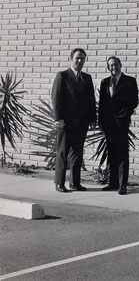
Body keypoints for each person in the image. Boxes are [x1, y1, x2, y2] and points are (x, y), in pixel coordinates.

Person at [51, 48, 96, 192]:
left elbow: (91, 100)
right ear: (71, 58)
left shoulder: (87, 78)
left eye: (82, 58)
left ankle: (75, 182)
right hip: (66, 122)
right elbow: (56, 98)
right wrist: (58, 118)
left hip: (81, 123)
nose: (80, 61)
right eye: (77, 58)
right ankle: (59, 183)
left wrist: (92, 119)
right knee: (63, 153)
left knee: (77, 153)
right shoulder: (62, 76)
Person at [98, 56, 139, 194]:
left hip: (121, 124)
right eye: (110, 65)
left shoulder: (130, 81)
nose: (113, 67)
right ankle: (113, 182)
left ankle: (122, 185)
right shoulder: (104, 82)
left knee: (122, 153)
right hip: (108, 124)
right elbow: (102, 105)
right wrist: (100, 122)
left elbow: (134, 101)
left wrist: (124, 115)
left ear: (120, 65)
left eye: (115, 64)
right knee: (111, 153)